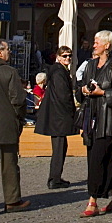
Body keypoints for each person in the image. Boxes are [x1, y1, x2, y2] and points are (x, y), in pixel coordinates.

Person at [78, 29, 112, 216]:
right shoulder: (90, 65)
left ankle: (92, 200)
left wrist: (104, 93)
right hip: (91, 119)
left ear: (107, 45)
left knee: (97, 160)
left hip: (109, 121)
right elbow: (80, 88)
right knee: (105, 160)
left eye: (97, 42)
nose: (94, 45)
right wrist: (84, 90)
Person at [0, 38, 30, 211]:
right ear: (0, 53)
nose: (10, 52)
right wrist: (20, 119)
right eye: (7, 49)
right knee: (9, 165)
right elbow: (18, 100)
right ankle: (12, 200)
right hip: (6, 125)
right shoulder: (9, 72)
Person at [34, 45, 78, 189]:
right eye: (65, 56)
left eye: (69, 55)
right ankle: (54, 179)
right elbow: (63, 95)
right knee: (59, 148)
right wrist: (72, 110)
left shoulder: (59, 70)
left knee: (61, 146)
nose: (68, 58)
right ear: (58, 57)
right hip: (59, 116)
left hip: (56, 115)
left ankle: (56, 177)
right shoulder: (59, 72)